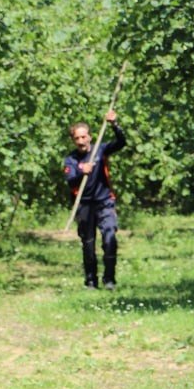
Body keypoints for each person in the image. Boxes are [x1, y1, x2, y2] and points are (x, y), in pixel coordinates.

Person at [64, 109, 126, 290]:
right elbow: (70, 181)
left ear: (90, 137)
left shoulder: (101, 149)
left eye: (84, 137)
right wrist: (81, 172)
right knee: (88, 245)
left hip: (104, 202)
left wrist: (114, 124)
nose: (81, 141)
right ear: (74, 140)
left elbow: (122, 143)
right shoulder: (71, 160)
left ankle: (110, 280)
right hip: (84, 205)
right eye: (77, 138)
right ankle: (91, 281)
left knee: (109, 239)